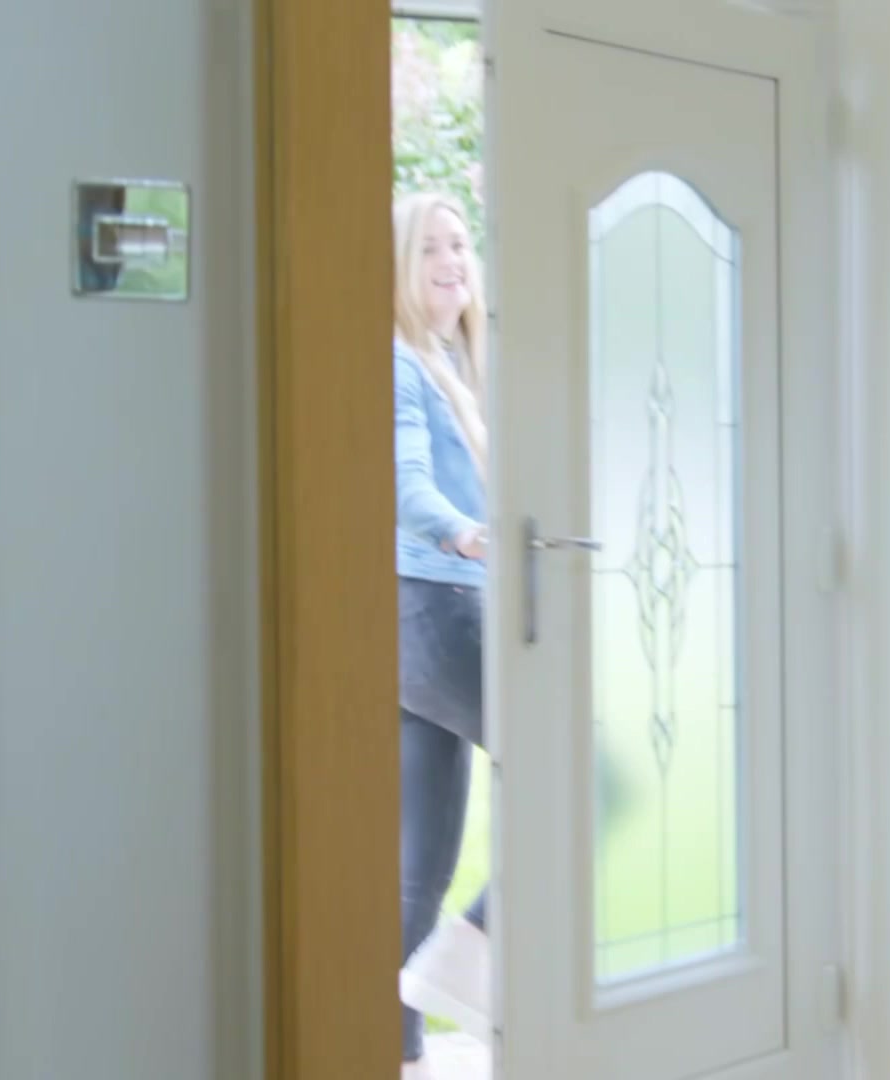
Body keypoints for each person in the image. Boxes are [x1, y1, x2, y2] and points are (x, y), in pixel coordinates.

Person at [392, 191, 492, 1077]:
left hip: (415, 619)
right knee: (580, 777)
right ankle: (469, 957)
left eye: (460, 244)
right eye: (430, 247)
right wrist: (464, 532)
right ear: (397, 263)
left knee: (421, 860)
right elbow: (406, 480)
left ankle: (389, 1047)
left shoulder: (448, 363)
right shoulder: (397, 361)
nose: (452, 261)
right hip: (440, 607)